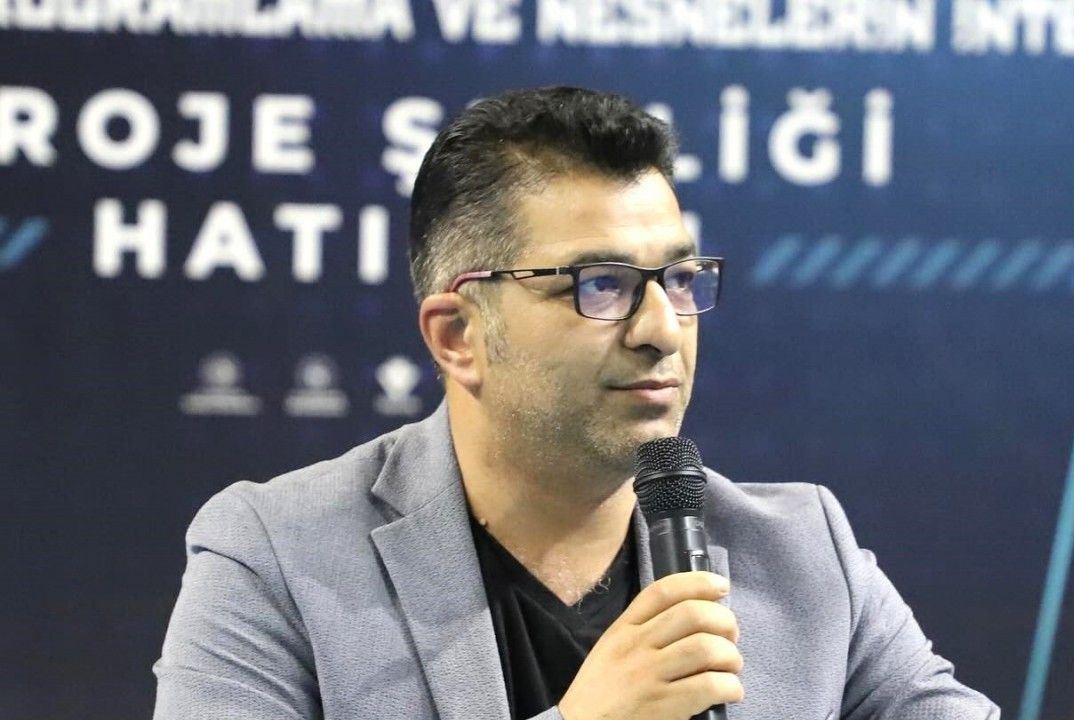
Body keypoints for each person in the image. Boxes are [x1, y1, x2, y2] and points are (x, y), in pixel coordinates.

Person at [153, 86, 1000, 720]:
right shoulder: (279, 558)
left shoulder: (802, 552)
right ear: (457, 335)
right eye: (601, 285)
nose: (662, 329)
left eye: (678, 278)